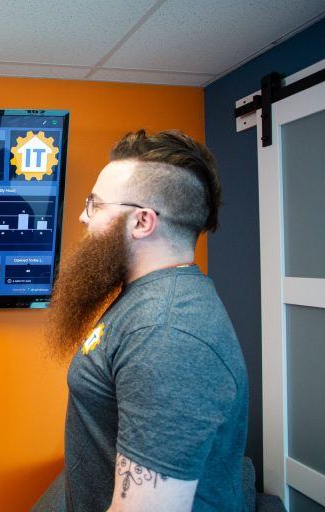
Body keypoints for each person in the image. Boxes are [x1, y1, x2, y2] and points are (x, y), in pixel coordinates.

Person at [35, 131, 248, 512]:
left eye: (95, 204)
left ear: (142, 222)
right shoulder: (147, 299)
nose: (84, 216)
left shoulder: (166, 333)